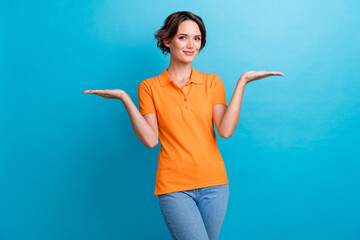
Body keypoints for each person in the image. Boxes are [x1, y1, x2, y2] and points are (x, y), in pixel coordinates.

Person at [83, 11, 284, 240]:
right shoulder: (149, 87)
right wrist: (124, 98)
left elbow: (225, 131)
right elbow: (150, 140)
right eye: (183, 37)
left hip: (216, 186)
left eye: (197, 38)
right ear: (167, 41)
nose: (191, 45)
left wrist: (242, 83)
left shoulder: (212, 82)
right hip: (174, 187)